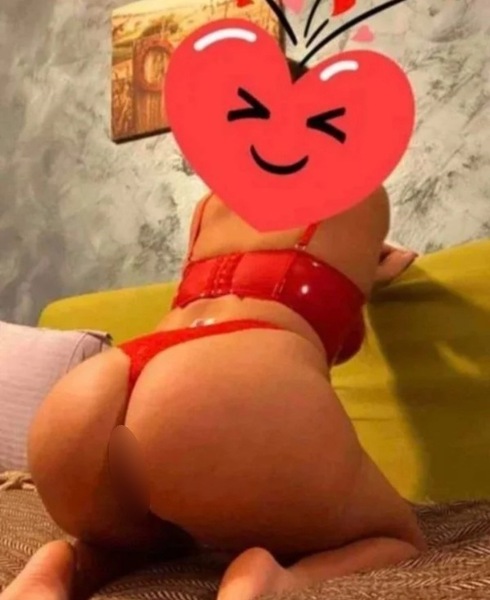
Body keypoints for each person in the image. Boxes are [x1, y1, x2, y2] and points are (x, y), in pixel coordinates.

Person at [1, 189, 421, 600]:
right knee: (397, 536)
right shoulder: (358, 192)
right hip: (217, 383)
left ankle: (65, 567)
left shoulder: (211, 204)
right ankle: (274, 580)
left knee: (145, 542)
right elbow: (341, 319)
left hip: (94, 394)